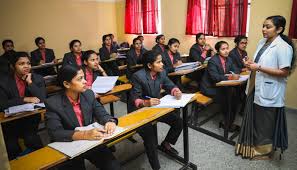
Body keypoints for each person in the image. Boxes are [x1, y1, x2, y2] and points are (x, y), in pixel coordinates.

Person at [236, 15, 295, 160]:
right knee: (255, 118)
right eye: (263, 26)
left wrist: (259, 67)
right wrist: (251, 64)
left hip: (270, 89)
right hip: (256, 85)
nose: (263, 29)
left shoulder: (284, 47)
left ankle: (263, 151)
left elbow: (284, 72)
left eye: (268, 27)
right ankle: (250, 146)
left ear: (279, 29)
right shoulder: (263, 42)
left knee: (265, 122)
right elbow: (259, 62)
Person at [45, 65, 121, 170]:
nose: (85, 81)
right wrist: (85, 134)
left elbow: (101, 113)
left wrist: (110, 121)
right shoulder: (53, 103)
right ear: (66, 84)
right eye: (80, 79)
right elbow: (55, 132)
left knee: (113, 166)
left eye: (84, 77)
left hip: (92, 141)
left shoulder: (88, 94)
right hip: (69, 144)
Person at [129, 50, 183, 170]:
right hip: (139, 111)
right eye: (158, 62)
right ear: (149, 65)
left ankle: (166, 144)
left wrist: (175, 91)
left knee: (178, 121)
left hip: (156, 107)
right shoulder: (138, 76)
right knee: (151, 141)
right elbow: (135, 99)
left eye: (162, 61)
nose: (162, 64)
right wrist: (145, 102)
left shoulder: (162, 73)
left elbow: (169, 84)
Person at [0, 52, 45, 160]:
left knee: (33, 140)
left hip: (30, 119)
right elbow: (2, 104)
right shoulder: (4, 81)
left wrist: (30, 83)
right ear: (13, 66)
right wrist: (24, 99)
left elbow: (43, 99)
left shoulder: (37, 78)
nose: (26, 66)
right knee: (11, 147)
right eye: (21, 63)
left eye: (28, 63)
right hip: (10, 122)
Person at [200, 41, 240, 131]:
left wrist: (231, 74)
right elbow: (215, 77)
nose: (226, 51)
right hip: (209, 87)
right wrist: (230, 77)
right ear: (218, 51)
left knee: (234, 97)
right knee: (227, 97)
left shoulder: (229, 59)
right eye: (223, 49)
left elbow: (236, 70)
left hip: (221, 86)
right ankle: (226, 123)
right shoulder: (213, 61)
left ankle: (229, 122)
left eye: (227, 48)